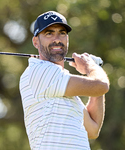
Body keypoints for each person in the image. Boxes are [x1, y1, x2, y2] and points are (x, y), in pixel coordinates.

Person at [19, 11, 110, 150]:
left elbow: (93, 129)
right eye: (49, 33)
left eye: (62, 33)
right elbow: (101, 85)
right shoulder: (39, 71)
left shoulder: (62, 83)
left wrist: (94, 69)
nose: (57, 39)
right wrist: (91, 67)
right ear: (35, 42)